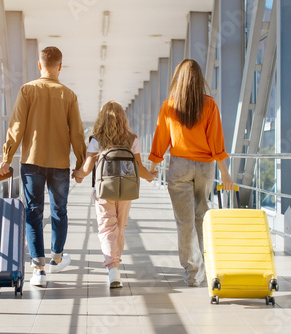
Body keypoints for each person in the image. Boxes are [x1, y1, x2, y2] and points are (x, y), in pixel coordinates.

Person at [0, 46, 87, 287]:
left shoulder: (27, 90)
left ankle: (38, 271)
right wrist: (80, 165)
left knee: (34, 213)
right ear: (60, 66)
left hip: (32, 162)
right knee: (59, 210)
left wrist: (6, 157)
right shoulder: (69, 95)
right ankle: (56, 258)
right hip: (59, 164)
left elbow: (17, 126)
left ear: (39, 65)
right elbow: (77, 133)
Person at [148, 59, 233, 287]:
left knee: (184, 221)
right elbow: (217, 143)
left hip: (179, 166)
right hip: (205, 167)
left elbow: (161, 141)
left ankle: (193, 273)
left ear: (179, 79)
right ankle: (208, 266)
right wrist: (225, 174)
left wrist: (152, 169)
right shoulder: (210, 105)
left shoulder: (169, 106)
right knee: (201, 216)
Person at [73, 101, 157, 288]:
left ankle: (113, 269)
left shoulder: (97, 140)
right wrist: (150, 176)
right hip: (126, 190)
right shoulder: (131, 139)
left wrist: (77, 174)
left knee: (107, 227)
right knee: (120, 226)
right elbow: (139, 168)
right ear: (122, 118)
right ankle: (115, 265)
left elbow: (87, 169)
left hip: (104, 190)